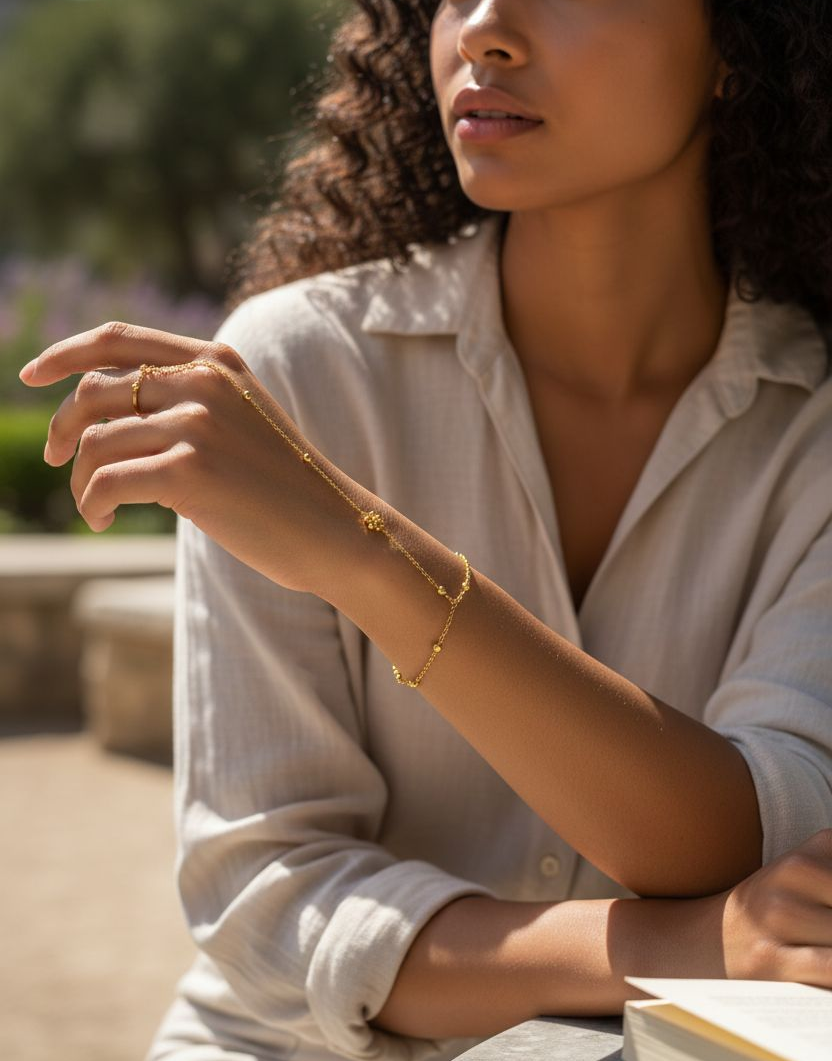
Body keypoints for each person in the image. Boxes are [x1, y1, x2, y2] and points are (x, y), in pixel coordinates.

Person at [19, 1, 832, 1059]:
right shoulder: (295, 374)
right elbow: (270, 897)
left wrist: (361, 551)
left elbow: (753, 833)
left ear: (741, 43)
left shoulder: (812, 426)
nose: (485, 29)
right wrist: (683, 941)